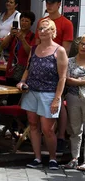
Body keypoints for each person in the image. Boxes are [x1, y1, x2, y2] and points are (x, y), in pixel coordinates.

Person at [17, 19, 68, 170]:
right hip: (31, 91)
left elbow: (62, 77)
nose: (42, 31)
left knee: (48, 129)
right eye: (40, 29)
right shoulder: (34, 49)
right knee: (33, 125)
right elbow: (27, 68)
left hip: (49, 93)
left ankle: (52, 158)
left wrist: (57, 99)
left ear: (53, 31)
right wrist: (22, 81)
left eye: (46, 29)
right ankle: (37, 157)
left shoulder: (59, 51)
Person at [36, 0, 75, 155]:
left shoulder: (66, 23)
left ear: (59, 4)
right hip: (41, 64)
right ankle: (43, 135)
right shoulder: (42, 21)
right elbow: (37, 44)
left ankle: (60, 137)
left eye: (52, 2)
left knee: (59, 101)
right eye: (47, 2)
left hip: (57, 64)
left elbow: (65, 49)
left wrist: (55, 64)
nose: (49, 5)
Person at [63, 35, 85, 170]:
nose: (84, 47)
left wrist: (76, 80)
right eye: (82, 44)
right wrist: (82, 81)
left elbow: (72, 79)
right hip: (73, 97)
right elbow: (67, 79)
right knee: (75, 129)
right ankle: (74, 158)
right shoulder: (70, 61)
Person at [1, 11, 36, 86]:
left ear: (31, 23)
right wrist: (10, 35)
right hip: (11, 69)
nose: (23, 23)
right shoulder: (14, 35)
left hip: (23, 71)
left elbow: (30, 52)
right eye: (22, 20)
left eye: (26, 21)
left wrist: (22, 39)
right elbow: (2, 46)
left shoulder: (33, 37)